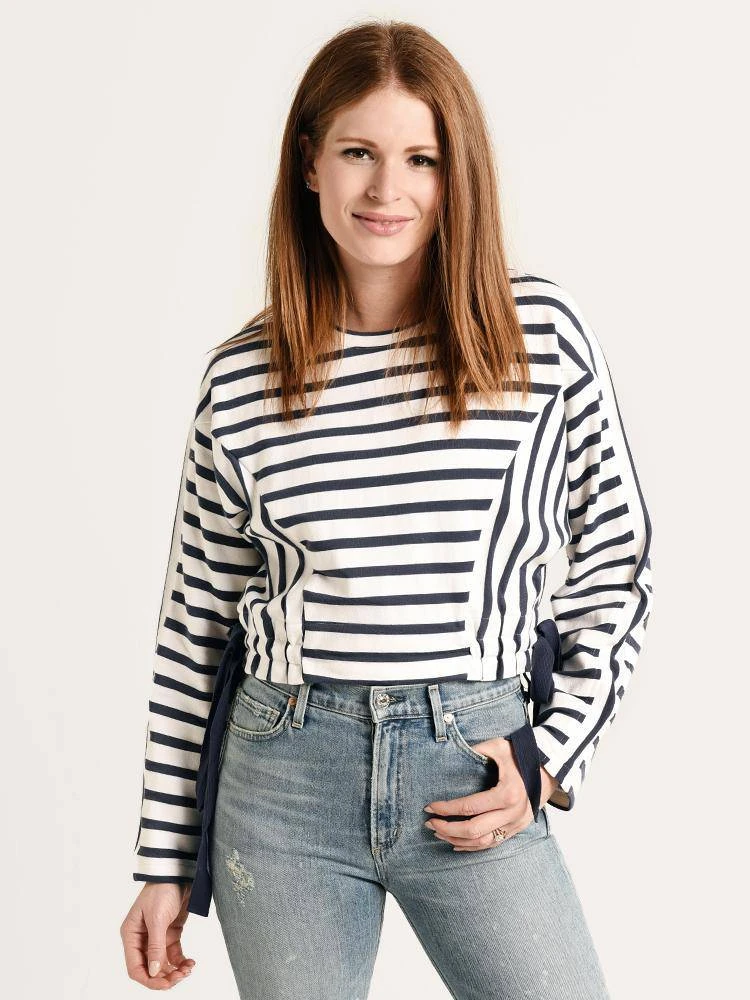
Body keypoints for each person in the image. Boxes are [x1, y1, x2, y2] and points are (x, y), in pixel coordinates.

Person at [120, 19, 654, 999]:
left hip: (475, 762)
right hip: (283, 783)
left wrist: (546, 755)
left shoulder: (538, 336)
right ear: (309, 163)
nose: (386, 189)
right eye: (358, 152)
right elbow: (194, 630)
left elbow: (617, 567)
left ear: (457, 176)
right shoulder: (240, 381)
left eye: (421, 158)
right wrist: (163, 860)